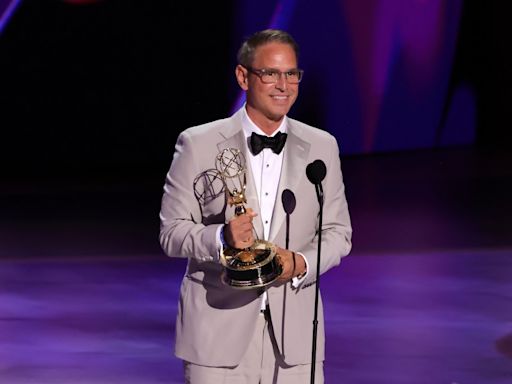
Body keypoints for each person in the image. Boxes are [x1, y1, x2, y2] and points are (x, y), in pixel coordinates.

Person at [159, 29, 352, 384]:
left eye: (291, 74)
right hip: (217, 335)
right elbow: (171, 232)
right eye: (270, 73)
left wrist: (301, 262)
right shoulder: (198, 143)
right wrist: (222, 237)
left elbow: (338, 232)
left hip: (295, 340)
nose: (283, 85)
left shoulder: (322, 146)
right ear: (243, 76)